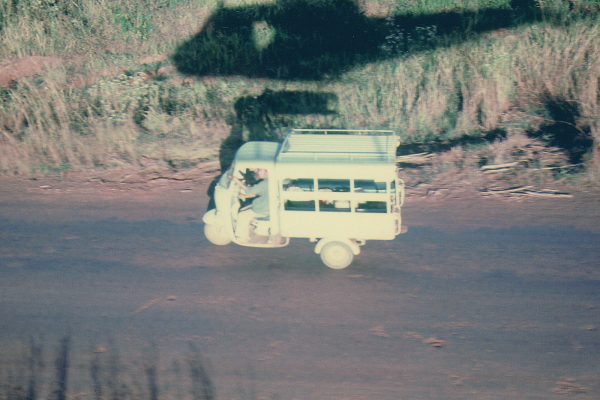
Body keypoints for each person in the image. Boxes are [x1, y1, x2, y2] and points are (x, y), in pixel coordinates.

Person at [233, 168, 269, 241]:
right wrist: (244, 196)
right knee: (246, 207)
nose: (258, 172)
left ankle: (242, 237)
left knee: (242, 215)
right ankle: (250, 227)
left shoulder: (264, 183)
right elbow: (259, 192)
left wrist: (237, 181)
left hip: (262, 209)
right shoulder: (271, 180)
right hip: (268, 205)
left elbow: (250, 191)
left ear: (266, 170)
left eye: (259, 170)